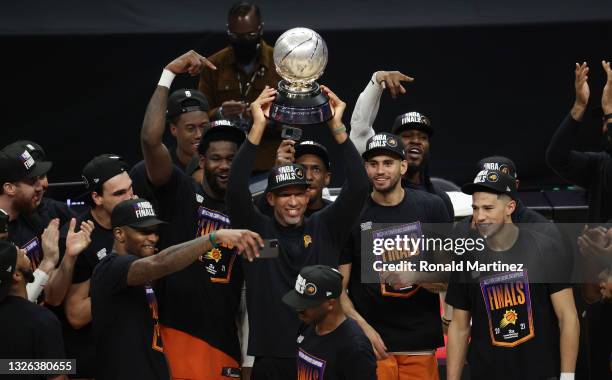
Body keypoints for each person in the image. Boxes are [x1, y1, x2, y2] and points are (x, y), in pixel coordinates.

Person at [227, 85, 369, 379]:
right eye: (283, 195)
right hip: (270, 359)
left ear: (309, 196)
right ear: (270, 199)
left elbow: (359, 187)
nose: (293, 202)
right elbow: (235, 190)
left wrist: (336, 126)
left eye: (299, 194)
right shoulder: (256, 233)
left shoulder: (326, 227)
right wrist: (257, 127)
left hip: (321, 354)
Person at [141, 50, 249, 379]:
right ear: (202, 161)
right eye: (216, 158)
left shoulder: (249, 211)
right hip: (179, 333)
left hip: (227, 340)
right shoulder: (181, 192)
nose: (225, 166)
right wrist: (167, 74)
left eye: (233, 158)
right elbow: (149, 139)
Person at [90, 198, 263, 380]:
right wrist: (214, 237)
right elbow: (160, 262)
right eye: (144, 231)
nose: (153, 238)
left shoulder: (139, 276)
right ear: (119, 234)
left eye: (155, 232)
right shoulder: (110, 268)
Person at [445, 169, 580, 380]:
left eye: (488, 208)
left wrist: (567, 376)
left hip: (539, 373)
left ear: (510, 207)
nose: (480, 217)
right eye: (476, 208)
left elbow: (568, 316)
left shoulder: (545, 248)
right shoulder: (467, 256)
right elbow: (460, 327)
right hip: (486, 373)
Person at [338, 132, 450, 380]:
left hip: (419, 345)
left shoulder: (432, 207)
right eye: (373, 163)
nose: (380, 170)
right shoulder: (352, 215)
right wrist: (362, 328)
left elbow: (448, 277)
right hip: (372, 346)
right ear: (365, 167)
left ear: (403, 166)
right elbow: (338, 288)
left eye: (388, 163)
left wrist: (415, 274)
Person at [546, 61, 612, 380]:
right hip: (600, 295)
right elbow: (555, 157)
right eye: (606, 122)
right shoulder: (601, 166)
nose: (607, 126)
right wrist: (579, 106)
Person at [62, 153, 133, 378]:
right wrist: (119, 275)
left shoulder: (142, 219)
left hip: (135, 347)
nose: (130, 197)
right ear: (97, 197)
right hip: (95, 359)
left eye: (130, 189)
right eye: (120, 193)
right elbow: (76, 315)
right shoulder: (80, 237)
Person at [349, 70, 455, 220]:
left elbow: (442, 243)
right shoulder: (377, 186)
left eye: (422, 137)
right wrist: (377, 80)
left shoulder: (439, 201)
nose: (416, 141)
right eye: (407, 136)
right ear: (393, 144)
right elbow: (360, 127)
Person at [198, 1, 283, 172]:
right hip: (226, 165)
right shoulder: (214, 65)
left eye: (249, 35)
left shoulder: (281, 65)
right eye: (236, 37)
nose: (243, 42)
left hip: (268, 163)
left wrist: (260, 117)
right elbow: (199, 116)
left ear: (260, 29)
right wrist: (221, 113)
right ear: (228, 31)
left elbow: (293, 120)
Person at [281, 265, 377, 380]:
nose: (299, 309)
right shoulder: (308, 325)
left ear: (330, 303)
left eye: (306, 304)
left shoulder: (355, 347)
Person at [0, 241, 67, 380]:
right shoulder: (42, 321)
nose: (25, 252)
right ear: (17, 275)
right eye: (20, 253)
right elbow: (57, 377)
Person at [256, 139, 332, 217]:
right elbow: (260, 214)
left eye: (316, 170)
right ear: (290, 172)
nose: (308, 177)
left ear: (326, 178)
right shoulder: (277, 211)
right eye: (302, 169)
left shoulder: (336, 214)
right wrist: (278, 172)